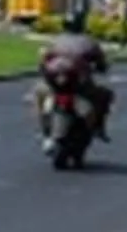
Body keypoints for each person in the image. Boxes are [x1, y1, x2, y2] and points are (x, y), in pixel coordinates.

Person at [40, 12, 116, 145]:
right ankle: (98, 127)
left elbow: (43, 61)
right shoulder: (89, 42)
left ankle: (46, 132)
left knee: (39, 94)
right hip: (77, 87)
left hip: (57, 85)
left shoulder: (55, 41)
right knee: (105, 95)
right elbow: (101, 63)